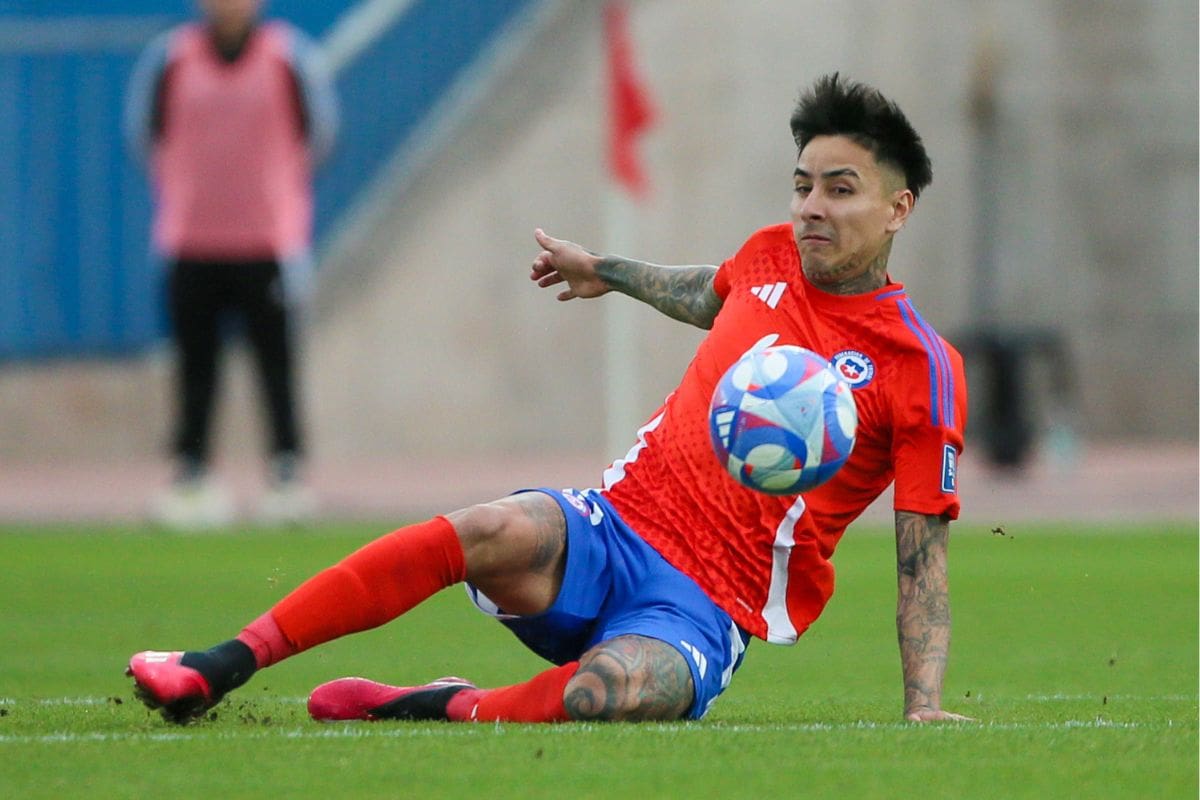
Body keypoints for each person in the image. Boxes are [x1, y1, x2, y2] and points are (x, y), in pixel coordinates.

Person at [127, 74, 972, 725]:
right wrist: (603, 271)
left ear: (898, 209)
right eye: (802, 185)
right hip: (614, 525)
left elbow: (920, 555)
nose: (810, 208)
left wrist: (922, 705)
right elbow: (710, 293)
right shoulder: (769, 256)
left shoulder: (921, 368)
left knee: (603, 695)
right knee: (487, 527)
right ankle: (220, 664)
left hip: (711, 602)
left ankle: (443, 706)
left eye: (839, 188)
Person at [124, 0, 339, 527]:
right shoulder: (169, 60)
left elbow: (321, 135)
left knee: (276, 362)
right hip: (190, 239)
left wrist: (277, 194)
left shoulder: (288, 58)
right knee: (196, 365)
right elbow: (144, 136)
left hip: (267, 241)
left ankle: (286, 474)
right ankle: (192, 474)